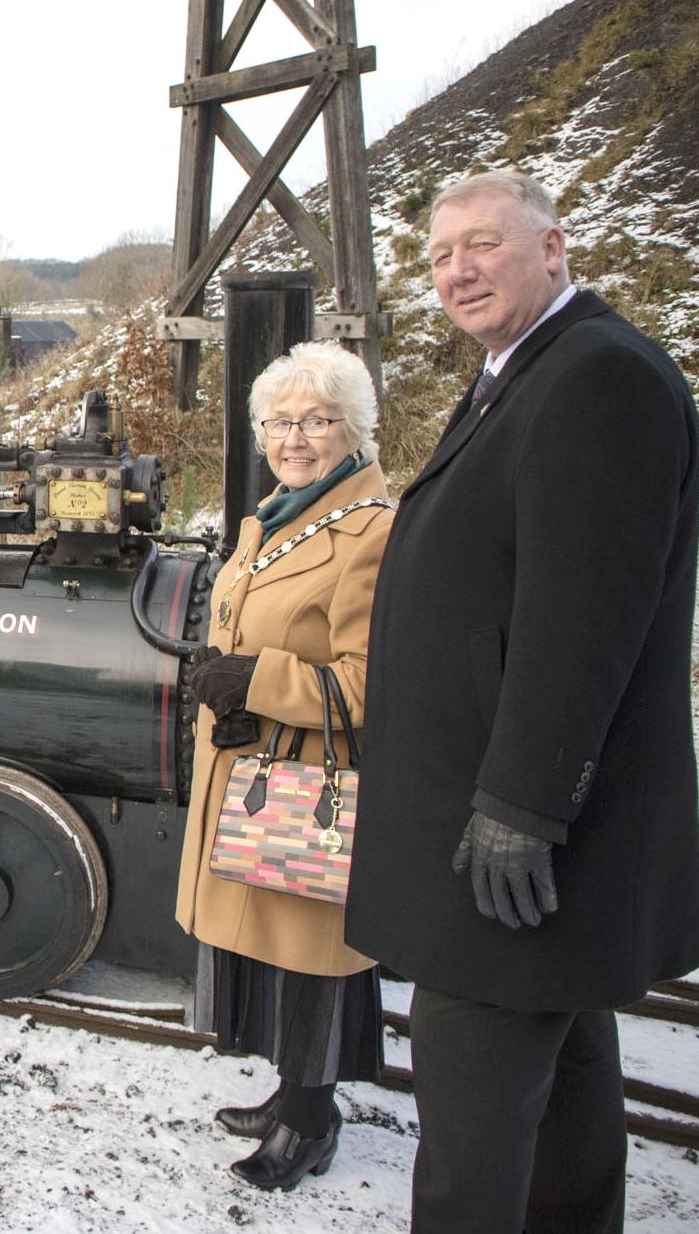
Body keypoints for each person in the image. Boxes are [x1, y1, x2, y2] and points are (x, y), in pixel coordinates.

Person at [346, 169, 699, 1231]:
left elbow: (584, 616)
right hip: (509, 836)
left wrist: (524, 805)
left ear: (555, 249)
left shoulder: (598, 376)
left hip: (507, 849)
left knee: (471, 1126)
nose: (459, 270)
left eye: (484, 245)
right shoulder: (524, 368)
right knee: (571, 1081)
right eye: (442, 254)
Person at [175, 340, 394, 1190]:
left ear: (355, 430)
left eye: (316, 421)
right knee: (277, 959)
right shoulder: (276, 514)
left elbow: (373, 684)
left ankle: (310, 1121)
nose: (294, 437)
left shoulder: (369, 533)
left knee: (311, 959)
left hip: (306, 788)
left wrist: (254, 680)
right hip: (253, 772)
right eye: (279, 421)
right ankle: (290, 1092)